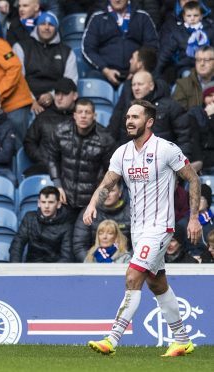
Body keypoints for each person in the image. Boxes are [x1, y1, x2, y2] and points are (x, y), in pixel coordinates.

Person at [84, 99, 202, 357]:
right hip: (138, 230)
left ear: (149, 122)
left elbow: (192, 178)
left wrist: (193, 217)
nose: (129, 120)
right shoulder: (122, 153)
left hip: (161, 227)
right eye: (127, 116)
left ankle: (112, 339)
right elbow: (106, 184)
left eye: (135, 117)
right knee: (158, 284)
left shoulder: (166, 149)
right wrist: (93, 204)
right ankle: (182, 340)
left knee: (132, 277)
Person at [48, 98, 116, 221]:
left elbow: (111, 173)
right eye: (80, 112)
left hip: (91, 202)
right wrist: (57, 185)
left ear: (94, 115)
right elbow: (52, 158)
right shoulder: (60, 131)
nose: (83, 116)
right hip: (66, 198)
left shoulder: (105, 139)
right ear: (74, 115)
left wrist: (97, 200)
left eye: (87, 112)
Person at [12, 11, 78, 113]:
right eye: (42, 24)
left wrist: (52, 95)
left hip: (56, 98)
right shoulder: (21, 47)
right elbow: (17, 78)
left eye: (51, 25)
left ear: (56, 28)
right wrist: (31, 100)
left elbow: (70, 81)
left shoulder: (67, 51)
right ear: (37, 26)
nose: (46, 28)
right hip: (25, 98)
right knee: (17, 119)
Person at [81, 0, 159, 86]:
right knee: (93, 80)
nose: (117, 0)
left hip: (136, 71)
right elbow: (88, 48)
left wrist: (138, 69)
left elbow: (152, 46)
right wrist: (105, 70)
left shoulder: (142, 16)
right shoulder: (97, 17)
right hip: (104, 72)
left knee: (153, 79)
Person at [23, 77, 77, 175]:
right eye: (57, 94)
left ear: (75, 96)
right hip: (44, 168)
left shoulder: (81, 117)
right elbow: (29, 142)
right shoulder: (43, 117)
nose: (59, 98)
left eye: (64, 94)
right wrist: (43, 157)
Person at [9, 185, 73, 262]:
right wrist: (16, 267)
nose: (46, 206)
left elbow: (66, 257)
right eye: (43, 202)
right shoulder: (29, 218)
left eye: (51, 202)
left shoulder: (66, 225)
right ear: (39, 203)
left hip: (54, 269)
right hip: (32, 267)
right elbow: (17, 244)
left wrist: (53, 272)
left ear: (58, 204)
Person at [156, 1, 214, 82]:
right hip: (186, 67)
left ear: (201, 16)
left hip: (209, 67)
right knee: (188, 79)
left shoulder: (209, 28)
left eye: (195, 15)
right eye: (189, 16)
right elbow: (166, 52)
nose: (192, 18)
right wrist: (155, 73)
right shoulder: (177, 31)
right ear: (184, 16)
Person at [73, 183, 131, 262]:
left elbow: (139, 244)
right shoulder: (88, 212)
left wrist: (125, 261)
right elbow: (79, 245)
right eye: (104, 192)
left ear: (120, 193)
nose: (107, 195)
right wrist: (91, 263)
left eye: (112, 191)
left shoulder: (131, 212)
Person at [173, 45, 214, 110]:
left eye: (206, 60)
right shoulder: (183, 84)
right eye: (198, 60)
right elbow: (179, 115)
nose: (202, 63)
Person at [176, 183, 213, 255]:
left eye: (200, 198)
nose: (197, 202)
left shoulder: (212, 222)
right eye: (194, 199)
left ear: (208, 202)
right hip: (187, 262)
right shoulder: (182, 223)